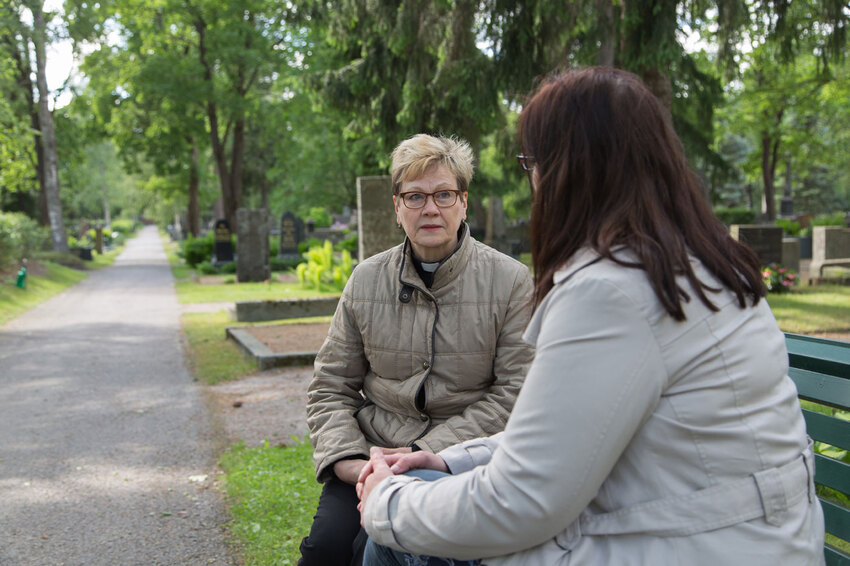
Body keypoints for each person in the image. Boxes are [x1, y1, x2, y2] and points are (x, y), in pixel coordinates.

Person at [357, 67, 825, 566]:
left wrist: (388, 504)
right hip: (747, 540)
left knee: (393, 537)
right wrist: (450, 459)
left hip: (693, 545)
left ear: (570, 170)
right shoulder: (691, 263)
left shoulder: (612, 291)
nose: (533, 179)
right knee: (422, 491)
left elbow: (521, 504)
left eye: (533, 161)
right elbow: (570, 434)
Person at [299, 133, 535, 566]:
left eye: (444, 194)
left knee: (393, 550)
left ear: (464, 202)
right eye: (415, 196)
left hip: (459, 459)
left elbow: (513, 395)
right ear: (397, 206)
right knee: (326, 551)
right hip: (369, 454)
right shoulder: (366, 280)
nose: (430, 208)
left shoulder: (512, 282)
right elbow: (330, 387)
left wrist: (424, 454)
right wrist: (356, 464)